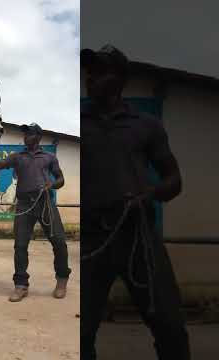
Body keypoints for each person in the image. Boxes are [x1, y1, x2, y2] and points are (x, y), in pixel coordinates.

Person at [80, 44, 190, 359]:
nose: (91, 79)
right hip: (91, 241)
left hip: (138, 238)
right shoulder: (78, 124)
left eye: (99, 73)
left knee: (170, 327)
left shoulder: (146, 125)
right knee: (79, 333)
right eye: (89, 74)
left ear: (119, 80)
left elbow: (174, 179)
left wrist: (151, 194)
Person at [0, 123, 71, 302]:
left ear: (38, 137)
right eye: (25, 134)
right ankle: (21, 285)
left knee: (59, 242)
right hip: (23, 205)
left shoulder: (49, 157)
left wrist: (51, 184)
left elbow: (60, 179)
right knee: (20, 246)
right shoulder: (17, 157)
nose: (25, 137)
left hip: (45, 203)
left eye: (29, 134)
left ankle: (62, 279)